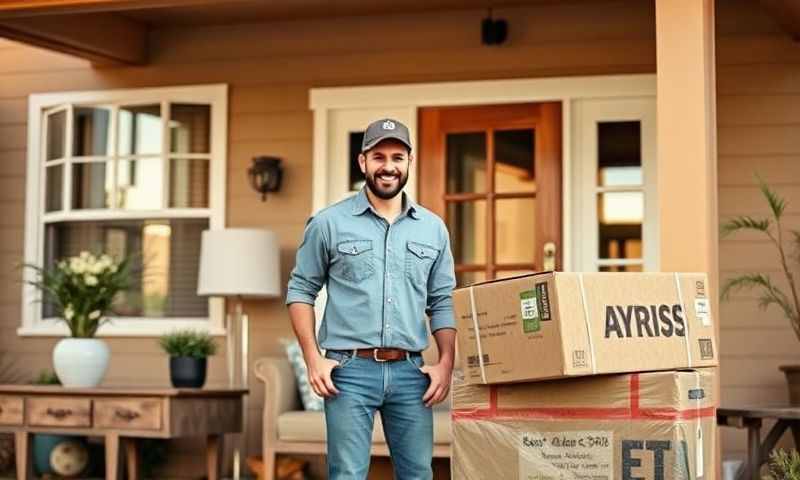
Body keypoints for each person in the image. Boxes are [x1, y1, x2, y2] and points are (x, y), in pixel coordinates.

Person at [285, 117, 457, 480]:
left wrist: (444, 363)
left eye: (397, 157)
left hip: (411, 372)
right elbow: (301, 290)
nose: (388, 166)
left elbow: (441, 301)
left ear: (409, 162)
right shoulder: (328, 223)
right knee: (347, 473)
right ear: (363, 162)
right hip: (348, 372)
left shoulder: (432, 228)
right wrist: (313, 359)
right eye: (378, 157)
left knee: (418, 475)